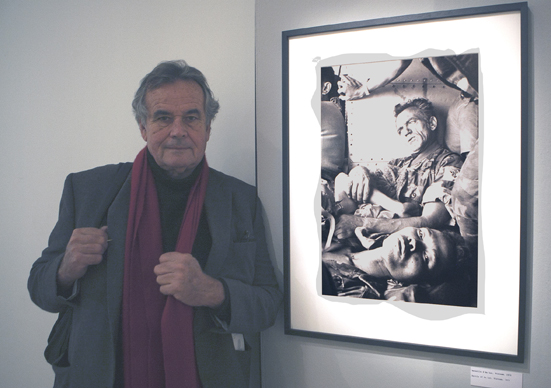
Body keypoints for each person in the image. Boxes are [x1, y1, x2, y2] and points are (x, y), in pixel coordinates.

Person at [27, 60, 282, 388]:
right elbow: (40, 288)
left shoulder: (239, 200)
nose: (178, 131)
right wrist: (66, 269)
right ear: (143, 127)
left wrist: (213, 291)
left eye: (191, 117)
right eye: (163, 118)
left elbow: (268, 303)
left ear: (207, 128)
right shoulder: (88, 190)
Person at [333, 97, 463, 240]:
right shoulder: (398, 163)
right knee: (339, 180)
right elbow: (358, 186)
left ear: (432, 123)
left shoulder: (448, 163)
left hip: (403, 243)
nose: (406, 132)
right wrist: (358, 171)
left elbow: (429, 221)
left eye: (411, 122)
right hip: (363, 226)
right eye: (400, 129)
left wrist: (362, 223)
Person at [322, 226, 473, 305]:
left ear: (421, 281)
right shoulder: (342, 235)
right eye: (421, 234)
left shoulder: (358, 295)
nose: (415, 243)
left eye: (426, 257)